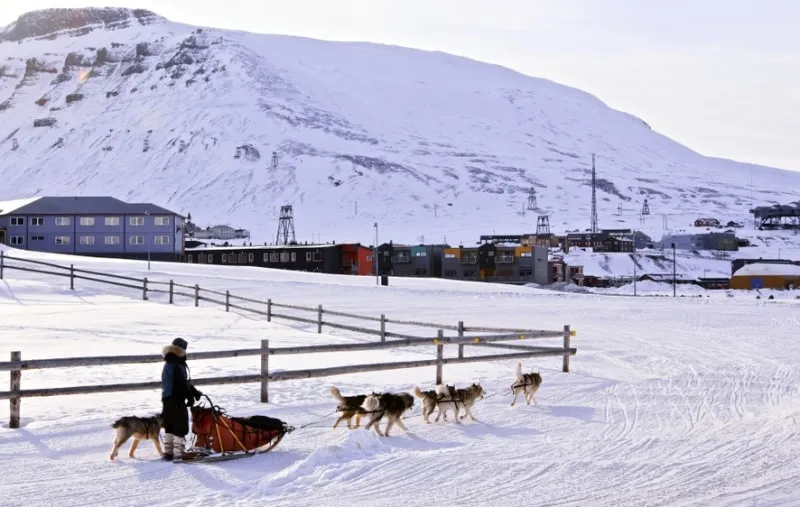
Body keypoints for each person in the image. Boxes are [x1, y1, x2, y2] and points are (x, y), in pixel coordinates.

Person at [161, 337, 202, 461]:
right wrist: (189, 396)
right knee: (180, 424)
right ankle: (179, 453)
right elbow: (181, 384)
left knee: (170, 424)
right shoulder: (177, 363)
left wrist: (194, 392)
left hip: (167, 399)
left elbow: (181, 382)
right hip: (176, 399)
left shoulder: (169, 361)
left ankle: (168, 452)